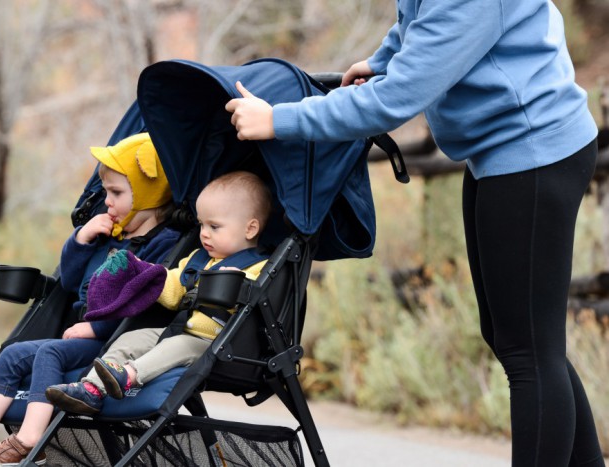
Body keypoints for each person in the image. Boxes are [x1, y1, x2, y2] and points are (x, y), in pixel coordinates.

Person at [225, 2, 605, 466]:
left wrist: (280, 120)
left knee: (528, 351)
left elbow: (395, 99)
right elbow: (418, 18)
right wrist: (382, 58)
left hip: (533, 150)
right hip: (501, 150)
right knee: (522, 340)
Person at [0, 132, 180, 467]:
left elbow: (139, 300)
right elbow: (70, 279)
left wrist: (94, 330)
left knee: (49, 352)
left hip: (114, 341)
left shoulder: (162, 245)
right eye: (106, 191)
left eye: (117, 193)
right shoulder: (109, 234)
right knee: (12, 354)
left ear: (149, 195)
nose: (107, 201)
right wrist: (81, 239)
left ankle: (28, 440)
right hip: (85, 331)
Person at [45, 171, 272, 415]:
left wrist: (235, 282)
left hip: (215, 344)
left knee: (178, 346)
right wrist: (148, 273)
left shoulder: (257, 267)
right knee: (130, 339)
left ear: (250, 229)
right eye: (202, 224)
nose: (204, 233)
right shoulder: (197, 259)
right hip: (177, 329)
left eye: (214, 226)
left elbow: (250, 301)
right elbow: (174, 290)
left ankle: (130, 375)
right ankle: (91, 389)